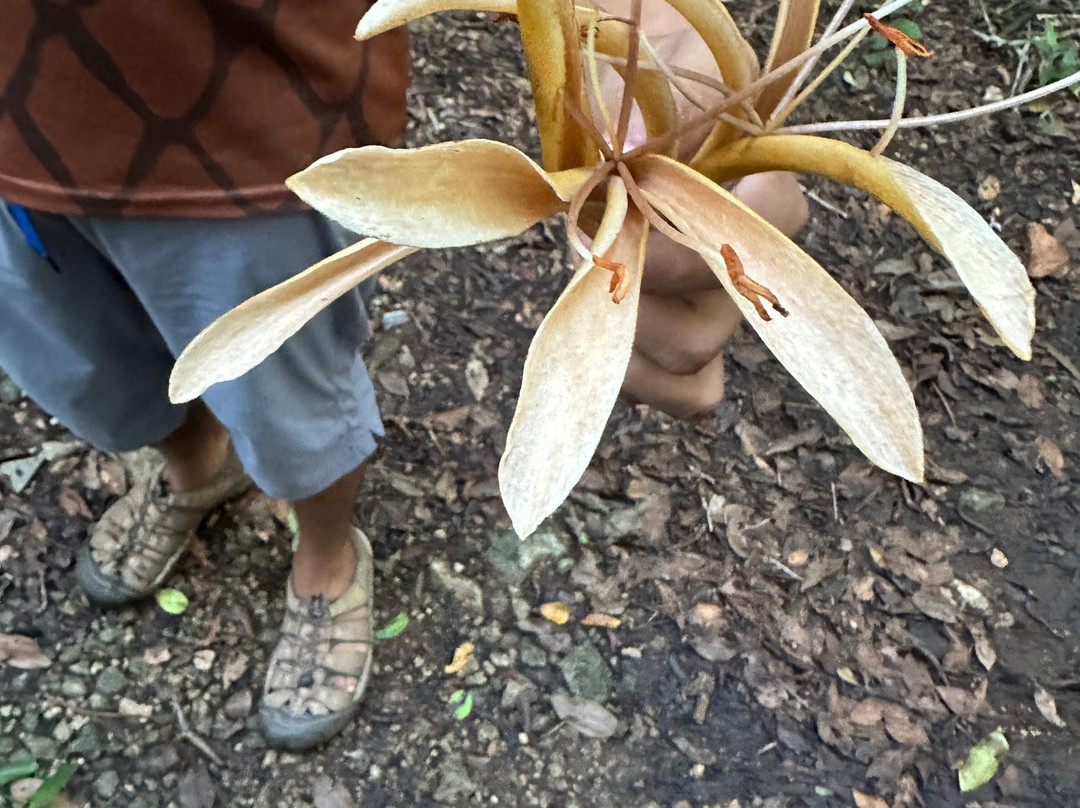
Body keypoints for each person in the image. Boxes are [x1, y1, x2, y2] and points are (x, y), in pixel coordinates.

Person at [0, 1, 806, 750]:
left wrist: (642, 31)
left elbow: (640, 28)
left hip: (247, 142)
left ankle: (327, 562)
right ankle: (195, 473)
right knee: (94, 373)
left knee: (290, 410)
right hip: (14, 158)